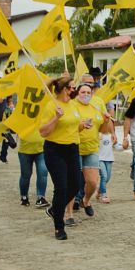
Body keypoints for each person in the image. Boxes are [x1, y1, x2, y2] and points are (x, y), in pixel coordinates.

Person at [39, 75, 82, 240]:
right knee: (61, 187)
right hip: (55, 150)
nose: (75, 90)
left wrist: (82, 125)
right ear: (65, 89)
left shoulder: (73, 104)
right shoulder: (51, 106)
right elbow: (43, 132)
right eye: (73, 87)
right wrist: (56, 117)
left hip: (72, 148)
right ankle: (59, 227)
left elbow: (72, 125)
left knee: (76, 184)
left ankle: (54, 209)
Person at [75, 82, 111, 217]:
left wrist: (106, 121)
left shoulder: (96, 106)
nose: (86, 95)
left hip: (92, 148)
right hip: (75, 147)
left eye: (88, 93)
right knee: (75, 180)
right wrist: (81, 126)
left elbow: (103, 130)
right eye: (83, 92)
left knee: (93, 182)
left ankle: (86, 200)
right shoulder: (72, 105)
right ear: (77, 93)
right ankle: (70, 207)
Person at [18, 126, 49, 208]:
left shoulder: (43, 117)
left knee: (43, 172)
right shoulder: (22, 118)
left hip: (41, 149)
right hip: (24, 151)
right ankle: (24, 196)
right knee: (26, 175)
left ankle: (41, 197)